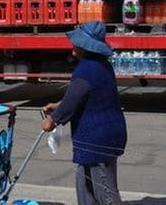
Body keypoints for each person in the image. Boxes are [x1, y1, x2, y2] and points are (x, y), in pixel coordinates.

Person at [41, 21, 127, 205]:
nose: (73, 47)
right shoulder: (101, 65)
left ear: (86, 47)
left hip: (97, 138)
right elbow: (82, 96)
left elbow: (73, 101)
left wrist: (53, 120)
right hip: (104, 135)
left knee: (104, 189)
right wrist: (58, 105)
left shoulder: (86, 70)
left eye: (77, 44)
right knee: (85, 184)